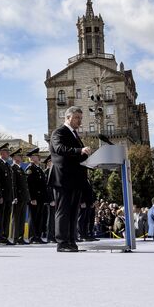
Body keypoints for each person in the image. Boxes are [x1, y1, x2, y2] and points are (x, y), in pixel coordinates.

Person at [48, 106, 91, 252]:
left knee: (73, 212)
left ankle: (72, 241)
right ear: (68, 117)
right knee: (63, 211)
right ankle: (62, 243)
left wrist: (87, 156)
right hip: (63, 179)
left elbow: (77, 156)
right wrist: (80, 150)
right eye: (77, 117)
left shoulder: (75, 135)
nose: (80, 121)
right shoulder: (59, 132)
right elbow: (60, 149)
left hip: (76, 180)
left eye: (80, 118)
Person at [25, 147, 47, 244]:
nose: (39, 158)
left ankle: (38, 236)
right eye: (36, 156)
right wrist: (32, 198)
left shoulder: (39, 169)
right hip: (34, 198)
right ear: (31, 158)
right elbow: (30, 185)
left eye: (38, 156)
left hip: (40, 198)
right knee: (33, 218)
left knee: (39, 218)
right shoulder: (30, 169)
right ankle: (32, 237)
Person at [0, 143, 13, 245]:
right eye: (7, 152)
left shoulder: (7, 165)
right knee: (0, 217)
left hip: (8, 196)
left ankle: (5, 236)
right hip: (2, 196)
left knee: (6, 217)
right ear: (1, 153)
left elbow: (11, 183)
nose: (8, 154)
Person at [10, 148, 30, 245]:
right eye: (18, 156)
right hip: (17, 197)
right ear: (14, 157)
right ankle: (14, 237)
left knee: (22, 218)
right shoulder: (12, 168)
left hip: (23, 197)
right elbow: (13, 184)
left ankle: (21, 237)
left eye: (21, 156)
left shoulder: (20, 168)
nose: (20, 158)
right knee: (16, 217)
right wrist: (14, 196)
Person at [43, 156, 56, 243]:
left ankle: (54, 235)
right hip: (49, 200)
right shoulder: (47, 172)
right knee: (50, 219)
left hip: (55, 199)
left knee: (54, 219)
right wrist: (51, 199)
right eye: (52, 162)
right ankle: (49, 236)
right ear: (48, 163)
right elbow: (47, 188)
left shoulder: (54, 172)